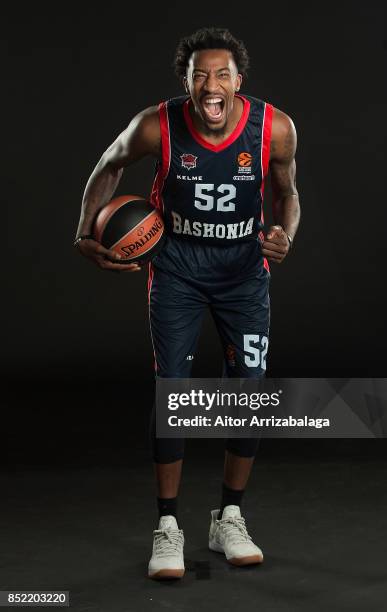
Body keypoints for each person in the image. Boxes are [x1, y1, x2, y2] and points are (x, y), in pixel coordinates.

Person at [75, 27, 300, 580]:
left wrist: (285, 235)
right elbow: (108, 165)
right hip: (176, 271)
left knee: (248, 392)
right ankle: (168, 526)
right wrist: (85, 233)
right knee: (173, 391)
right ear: (187, 82)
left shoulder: (275, 127)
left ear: (239, 80)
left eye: (222, 74)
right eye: (200, 75)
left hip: (244, 275)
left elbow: (288, 192)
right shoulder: (157, 125)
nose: (211, 85)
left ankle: (229, 516)